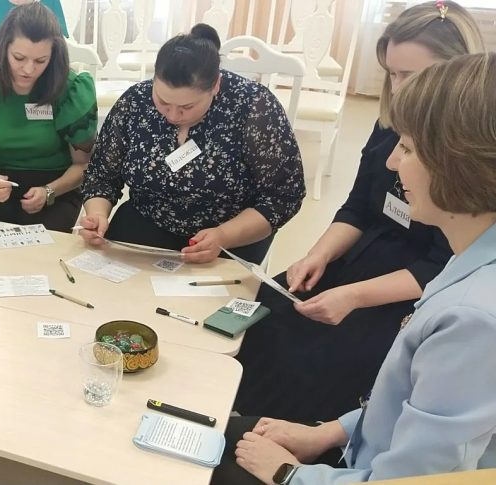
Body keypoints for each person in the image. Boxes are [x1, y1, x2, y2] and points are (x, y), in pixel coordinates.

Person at [212, 51, 496, 485]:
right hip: (357, 450)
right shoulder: (470, 259)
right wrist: (326, 433)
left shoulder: (473, 320)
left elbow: (407, 480)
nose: (392, 163)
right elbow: (397, 405)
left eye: (407, 148)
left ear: (459, 165)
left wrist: (288, 473)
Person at [234, 0, 483, 424]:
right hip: (365, 254)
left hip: (411, 287)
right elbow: (358, 207)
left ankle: (297, 438)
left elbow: (441, 265)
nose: (398, 88)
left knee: (323, 357)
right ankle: (239, 412)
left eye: (411, 76)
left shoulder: (467, 154)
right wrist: (318, 255)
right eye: (392, 74)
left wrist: (353, 296)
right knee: (267, 307)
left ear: (456, 73)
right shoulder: (389, 122)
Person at [77, 24, 305, 265]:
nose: (173, 116)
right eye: (163, 102)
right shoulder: (136, 101)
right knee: (108, 281)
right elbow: (102, 175)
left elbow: (283, 197)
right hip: (148, 218)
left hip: (230, 233)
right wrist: (97, 214)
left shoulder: (253, 107)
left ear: (215, 85)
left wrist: (224, 236)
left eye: (187, 107)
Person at [0, 2, 95, 231]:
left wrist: (49, 191)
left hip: (56, 187)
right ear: (3, 49)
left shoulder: (71, 90)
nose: (28, 70)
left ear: (54, 55)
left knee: (44, 248)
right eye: (19, 58)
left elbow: (83, 165)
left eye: (40, 61)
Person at [0, 0, 68, 64]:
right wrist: (8, 67)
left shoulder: (51, 2)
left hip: (43, 76)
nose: (27, 70)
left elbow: (59, 48)